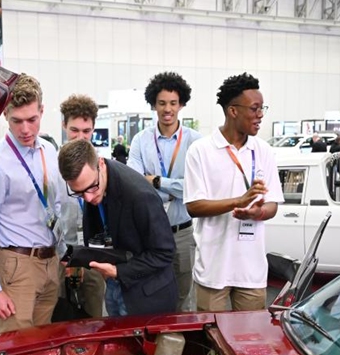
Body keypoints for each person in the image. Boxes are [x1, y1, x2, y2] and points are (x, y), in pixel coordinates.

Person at [0, 74, 66, 334]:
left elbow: (56, 206)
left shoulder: (49, 151)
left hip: (51, 261)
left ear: (42, 111)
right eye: (17, 121)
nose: (25, 129)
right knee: (16, 352)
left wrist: (63, 252)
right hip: (16, 265)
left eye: (32, 120)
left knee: (45, 347)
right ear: (5, 116)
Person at [184, 72, 284, 312]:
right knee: (210, 342)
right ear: (233, 111)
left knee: (249, 343)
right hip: (213, 270)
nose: (260, 115)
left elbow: (272, 205)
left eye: (262, 108)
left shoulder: (264, 151)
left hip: (252, 271)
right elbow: (194, 206)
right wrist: (238, 201)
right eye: (254, 108)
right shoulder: (201, 151)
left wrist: (257, 213)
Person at [58, 139, 178, 315]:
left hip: (147, 296)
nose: (89, 198)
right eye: (79, 193)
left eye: (91, 188)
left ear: (100, 163)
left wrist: (117, 271)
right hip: (116, 286)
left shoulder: (140, 195)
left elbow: (165, 252)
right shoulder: (96, 183)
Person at [128, 71, 203, 312]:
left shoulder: (196, 142)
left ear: (181, 104)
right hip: (149, 233)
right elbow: (135, 184)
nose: (167, 109)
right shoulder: (141, 141)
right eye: (162, 103)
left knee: (181, 299)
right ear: (153, 104)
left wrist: (158, 182)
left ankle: (176, 348)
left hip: (182, 233)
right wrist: (176, 184)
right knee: (149, 294)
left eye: (173, 103)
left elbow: (195, 188)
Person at [57, 93, 106, 318]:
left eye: (86, 131)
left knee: (94, 317)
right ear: (64, 126)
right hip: (61, 253)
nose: (80, 137)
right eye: (74, 130)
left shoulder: (103, 166)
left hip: (94, 253)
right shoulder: (52, 166)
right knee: (61, 318)